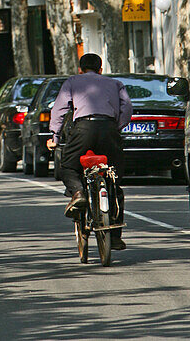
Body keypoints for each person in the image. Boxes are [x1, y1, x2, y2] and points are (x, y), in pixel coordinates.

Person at [48, 53, 133, 250]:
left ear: (80, 69)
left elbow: (59, 110)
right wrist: (116, 127)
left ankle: (78, 193)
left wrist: (55, 137)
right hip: (109, 130)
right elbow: (127, 107)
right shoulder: (116, 83)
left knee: (68, 165)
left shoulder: (72, 81)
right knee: (114, 179)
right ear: (101, 69)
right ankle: (116, 235)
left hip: (83, 129)